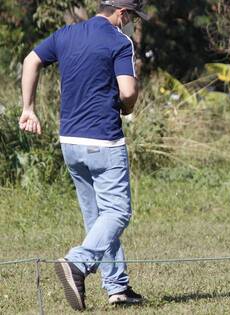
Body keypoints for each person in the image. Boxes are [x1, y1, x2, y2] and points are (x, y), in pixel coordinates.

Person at [19, 0, 148, 310]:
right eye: (131, 17)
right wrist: (127, 108)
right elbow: (128, 92)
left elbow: (30, 60)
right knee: (117, 212)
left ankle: (117, 287)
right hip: (103, 141)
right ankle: (77, 262)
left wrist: (28, 108)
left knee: (98, 219)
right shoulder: (119, 41)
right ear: (122, 13)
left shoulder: (67, 34)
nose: (130, 23)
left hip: (70, 142)